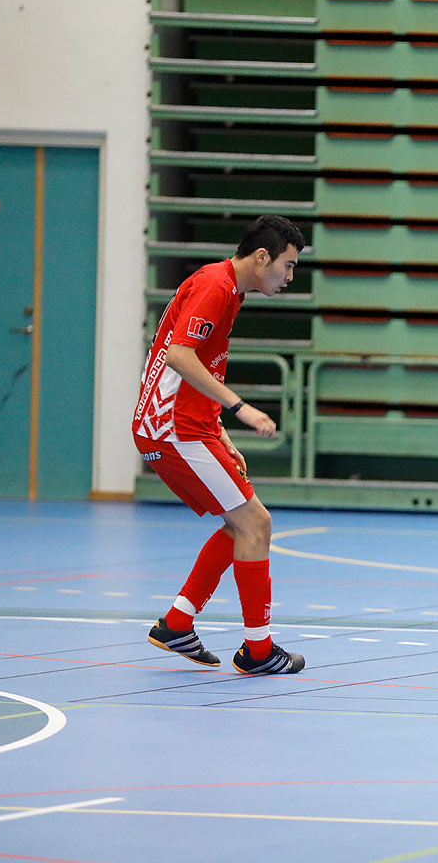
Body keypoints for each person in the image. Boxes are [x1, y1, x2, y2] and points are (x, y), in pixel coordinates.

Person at [136, 215, 308, 676]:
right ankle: (258, 651)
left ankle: (176, 623)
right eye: (287, 267)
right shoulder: (216, 286)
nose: (289, 278)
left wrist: (220, 433)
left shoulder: (226, 288)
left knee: (241, 526)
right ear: (261, 257)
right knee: (256, 524)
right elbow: (177, 354)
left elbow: (194, 365)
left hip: (189, 424)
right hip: (173, 430)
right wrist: (241, 410)